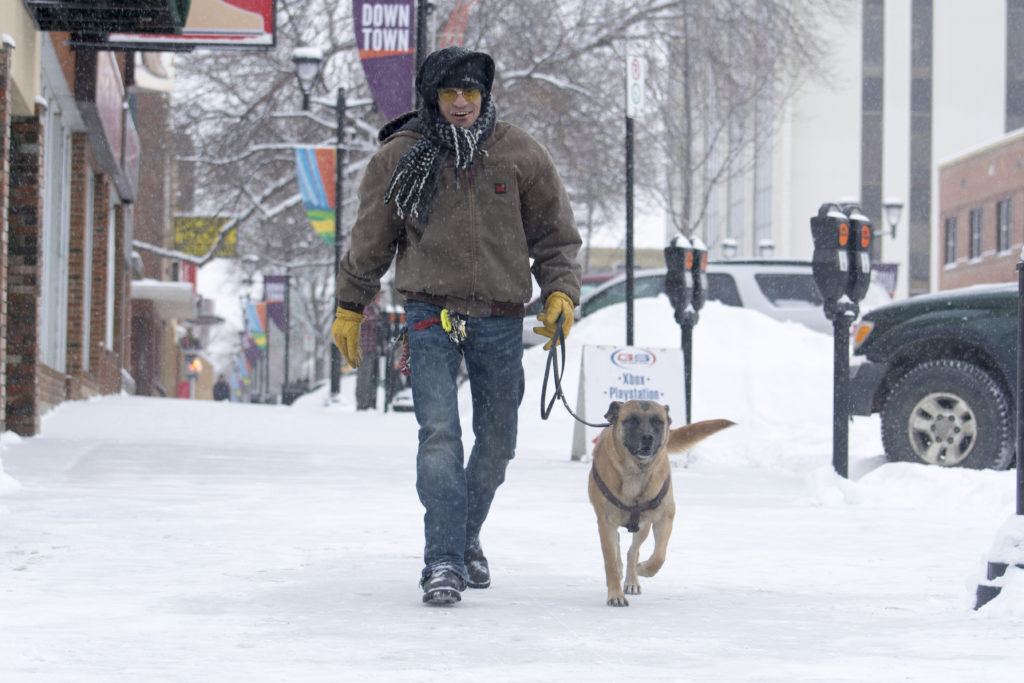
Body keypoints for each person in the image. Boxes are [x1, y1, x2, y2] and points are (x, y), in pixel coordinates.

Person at [331, 47, 581, 605]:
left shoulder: (520, 154)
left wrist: (561, 291)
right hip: (429, 315)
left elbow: (556, 239)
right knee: (440, 437)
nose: (462, 103)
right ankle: (442, 560)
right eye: (450, 94)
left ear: (485, 94)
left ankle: (465, 534)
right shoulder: (402, 155)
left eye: (471, 92)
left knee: (498, 442)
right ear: (432, 97)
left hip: (498, 318)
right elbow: (371, 241)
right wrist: (351, 305)